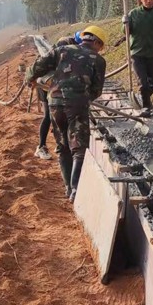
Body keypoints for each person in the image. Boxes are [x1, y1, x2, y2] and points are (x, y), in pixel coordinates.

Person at [26, 25, 107, 202]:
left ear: (84, 38)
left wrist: (29, 79)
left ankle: (68, 188)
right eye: (101, 47)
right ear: (97, 43)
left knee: (62, 146)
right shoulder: (98, 60)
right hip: (77, 105)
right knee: (79, 147)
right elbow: (97, 89)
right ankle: (76, 189)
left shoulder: (62, 50)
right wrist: (84, 98)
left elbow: (38, 66)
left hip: (54, 103)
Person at [34, 32, 83, 161]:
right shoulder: (63, 47)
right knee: (49, 116)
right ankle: (41, 147)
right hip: (46, 82)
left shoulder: (74, 49)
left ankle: (63, 145)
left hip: (56, 83)